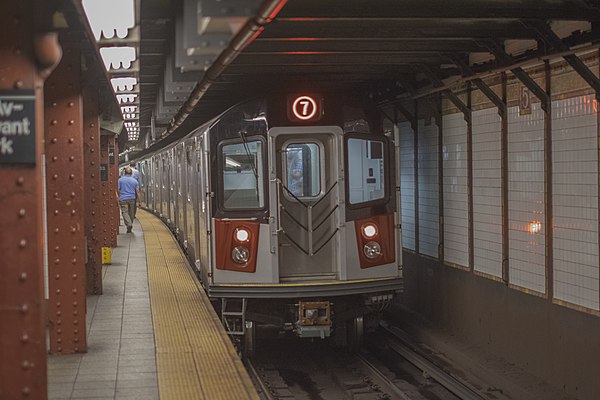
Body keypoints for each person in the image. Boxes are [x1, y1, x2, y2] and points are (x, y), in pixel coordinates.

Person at [117, 166, 141, 233]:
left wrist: (118, 197)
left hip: (123, 198)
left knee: (125, 212)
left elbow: (118, 190)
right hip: (132, 199)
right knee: (131, 213)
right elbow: (137, 191)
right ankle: (130, 224)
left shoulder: (120, 180)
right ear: (131, 173)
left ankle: (129, 224)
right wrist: (139, 201)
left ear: (124, 172)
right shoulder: (135, 181)